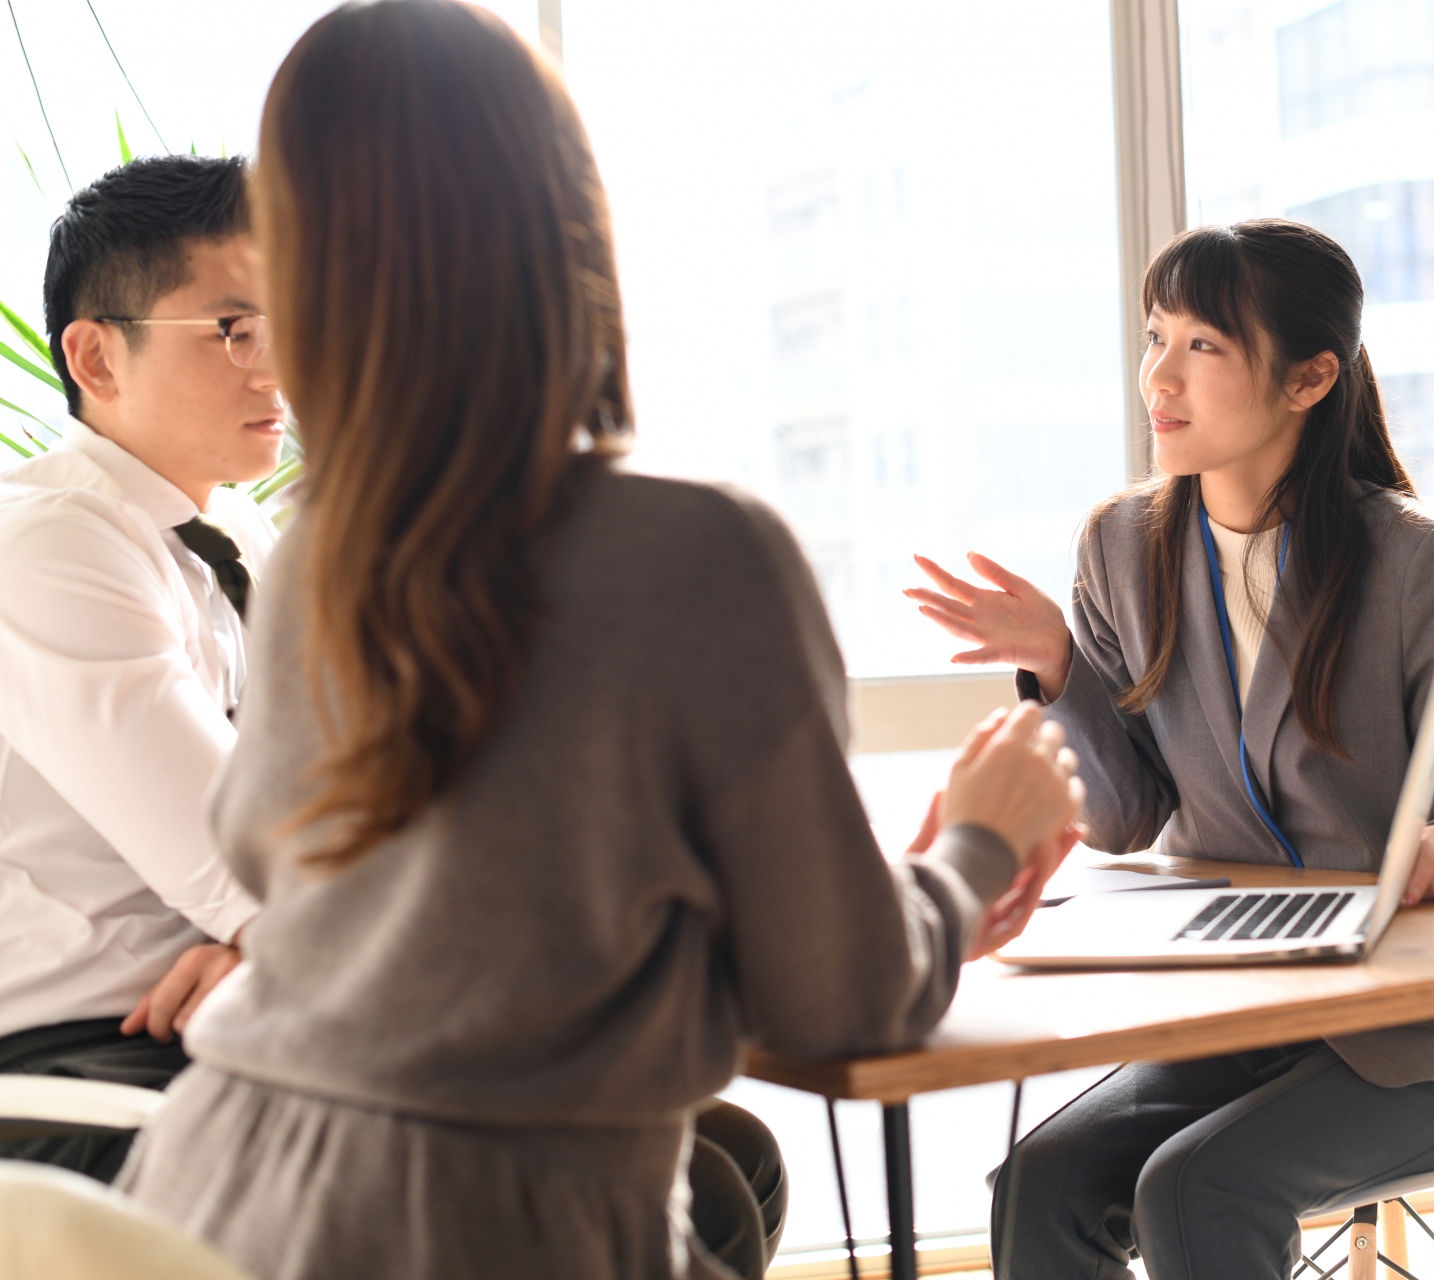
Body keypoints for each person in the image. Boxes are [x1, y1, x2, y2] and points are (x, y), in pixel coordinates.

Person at [116, 5, 1084, 1280]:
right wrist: (981, 844)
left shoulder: (316, 555)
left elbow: (346, 870)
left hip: (204, 1193)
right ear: (567, 223)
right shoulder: (694, 550)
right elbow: (844, 997)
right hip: (489, 1228)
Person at [908, 219, 1434, 1279]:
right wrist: (1060, 664)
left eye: (1203, 345)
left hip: (1428, 1040)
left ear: (1309, 378)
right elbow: (1123, 814)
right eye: (1157, 335)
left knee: (1196, 1187)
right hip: (1244, 1010)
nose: (1159, 373)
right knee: (1038, 1182)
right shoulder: (1121, 545)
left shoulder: (1415, 564)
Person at [0, 155, 282, 1182]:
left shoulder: (236, 534)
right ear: (95, 356)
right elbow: (249, 863)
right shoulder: (51, 545)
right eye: (235, 328)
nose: (279, 363)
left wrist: (262, 944)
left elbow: (381, 793)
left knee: (711, 1155)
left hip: (234, 1028)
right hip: (71, 1071)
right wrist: (270, 926)